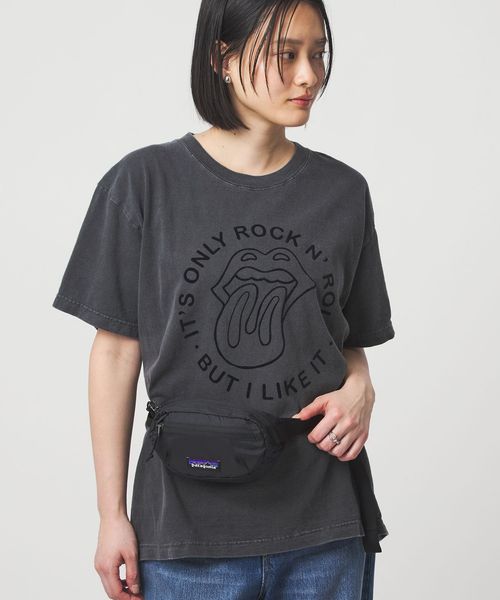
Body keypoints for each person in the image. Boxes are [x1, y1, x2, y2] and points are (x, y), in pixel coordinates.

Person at [52, 0, 396, 598]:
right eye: (286, 54)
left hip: (323, 527)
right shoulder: (144, 183)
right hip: (186, 535)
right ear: (223, 58)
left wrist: (361, 386)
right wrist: (112, 516)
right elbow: (114, 354)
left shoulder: (343, 191)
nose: (308, 75)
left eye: (317, 54)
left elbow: (346, 338)